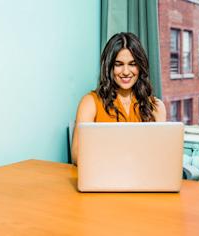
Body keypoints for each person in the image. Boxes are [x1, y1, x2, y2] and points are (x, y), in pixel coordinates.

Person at [71, 32, 166, 165]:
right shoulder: (90, 103)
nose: (126, 72)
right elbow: (76, 155)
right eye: (119, 64)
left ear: (140, 67)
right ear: (109, 67)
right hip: (103, 176)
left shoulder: (157, 107)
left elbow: (162, 155)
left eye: (132, 64)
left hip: (143, 179)